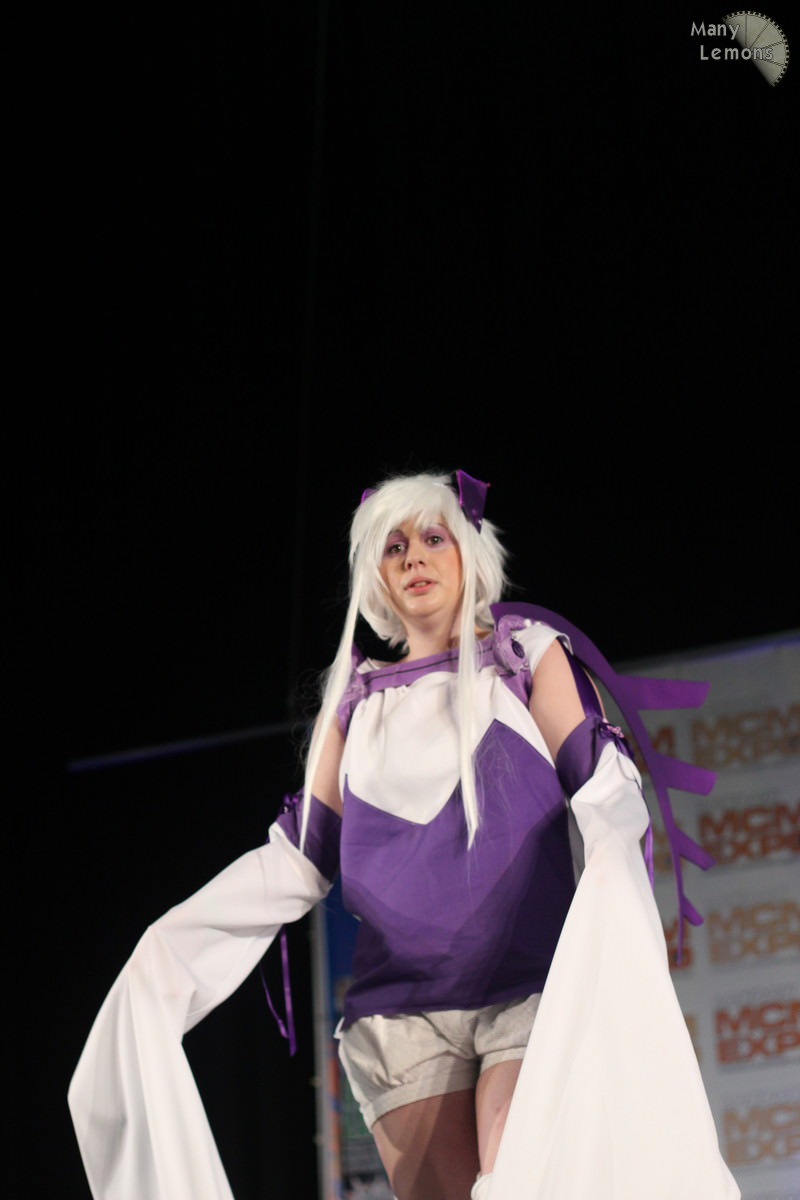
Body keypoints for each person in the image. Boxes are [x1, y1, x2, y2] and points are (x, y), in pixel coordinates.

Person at [69, 470, 740, 1200]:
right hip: (400, 1020)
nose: (414, 556)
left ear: (470, 552)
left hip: (528, 990)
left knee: (524, 1182)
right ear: (377, 578)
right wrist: (170, 948)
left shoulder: (523, 656)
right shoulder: (355, 705)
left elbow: (601, 783)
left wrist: (613, 859)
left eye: (432, 538)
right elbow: (297, 861)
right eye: (394, 547)